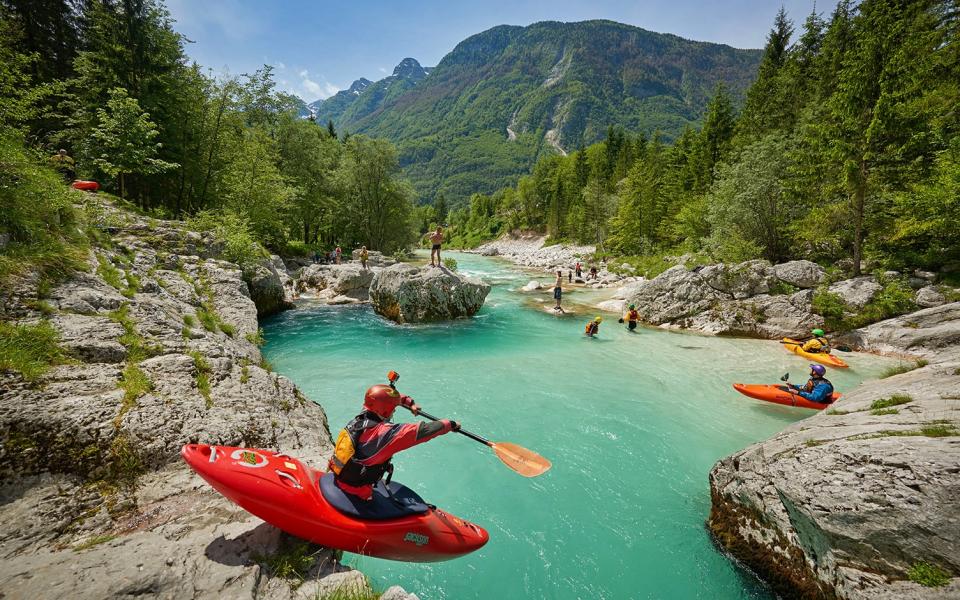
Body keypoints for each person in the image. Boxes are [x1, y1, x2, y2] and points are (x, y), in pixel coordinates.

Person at [329, 384, 459, 501]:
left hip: (341, 476)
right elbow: (423, 431)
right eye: (393, 408)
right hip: (358, 491)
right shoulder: (385, 433)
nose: (395, 410)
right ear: (386, 409)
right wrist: (451, 424)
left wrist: (410, 403)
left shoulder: (363, 416)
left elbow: (386, 398)